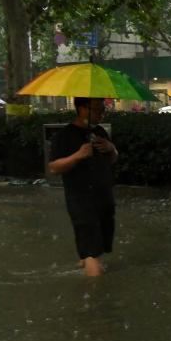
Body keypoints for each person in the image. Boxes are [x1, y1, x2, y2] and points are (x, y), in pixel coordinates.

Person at [48, 97, 118, 277]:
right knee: (91, 250)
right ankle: (96, 294)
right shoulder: (63, 136)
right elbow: (54, 168)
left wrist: (111, 148)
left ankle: (86, 264)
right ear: (82, 108)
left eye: (103, 109)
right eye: (97, 109)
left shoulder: (100, 131)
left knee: (98, 247)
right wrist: (77, 156)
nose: (101, 113)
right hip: (81, 200)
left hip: (104, 198)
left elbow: (112, 159)